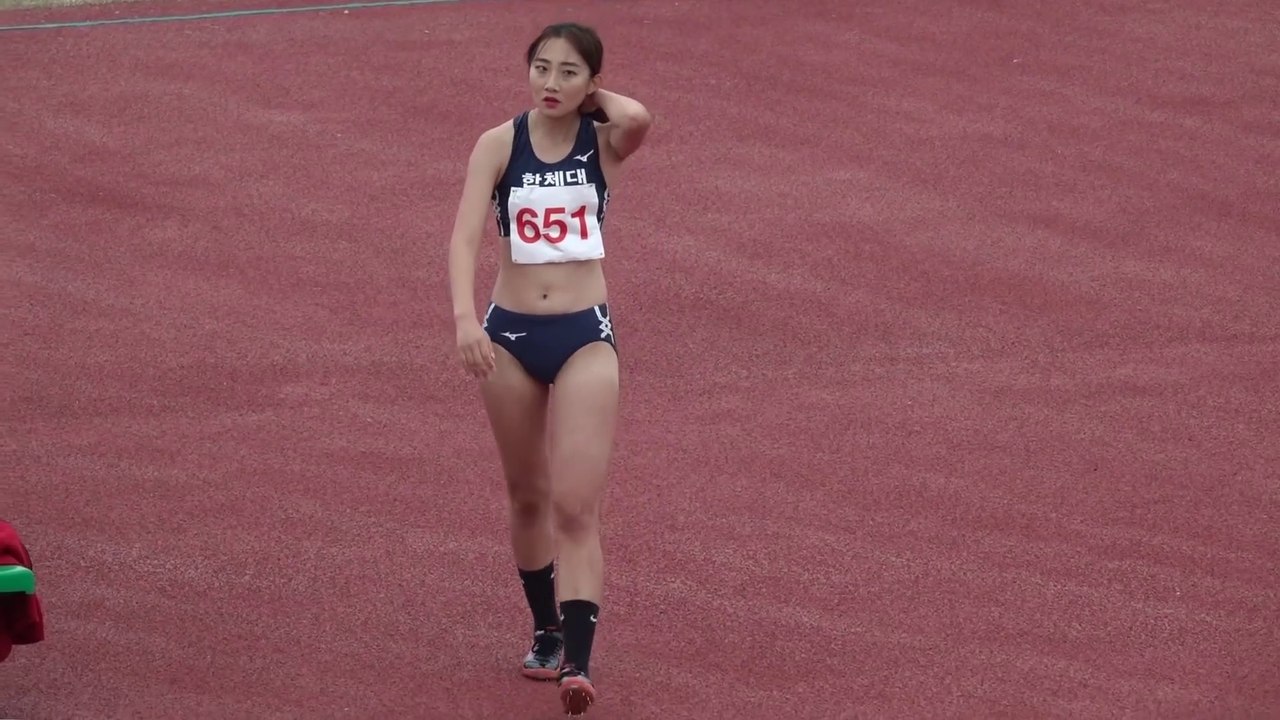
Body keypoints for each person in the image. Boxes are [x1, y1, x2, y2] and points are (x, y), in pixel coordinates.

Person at [446, 21, 653, 717]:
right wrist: (463, 320)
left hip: (583, 334)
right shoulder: (498, 144)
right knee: (528, 493)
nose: (551, 83)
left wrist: (599, 99)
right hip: (507, 335)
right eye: (541, 68)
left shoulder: (605, 142)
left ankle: (579, 663)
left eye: (569, 72)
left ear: (592, 83)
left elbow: (639, 118)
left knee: (575, 503)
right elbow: (465, 233)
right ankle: (545, 627)